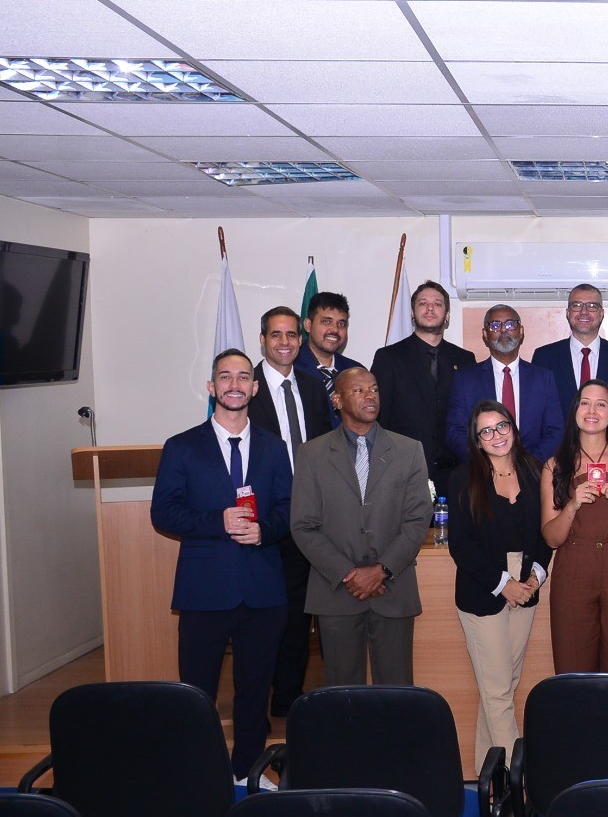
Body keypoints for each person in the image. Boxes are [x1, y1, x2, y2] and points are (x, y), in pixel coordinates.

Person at [151, 349, 291, 784]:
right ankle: (199, 777)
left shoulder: (274, 447)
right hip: (204, 590)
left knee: (254, 693)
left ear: (254, 387)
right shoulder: (181, 446)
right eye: (225, 377)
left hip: (263, 591)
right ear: (211, 387)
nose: (234, 384)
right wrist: (218, 521)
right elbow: (164, 513)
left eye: (243, 377)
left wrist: (264, 531)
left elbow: (289, 510)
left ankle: (247, 774)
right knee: (197, 694)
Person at [290, 368, 432, 686]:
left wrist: (381, 570)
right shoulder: (311, 454)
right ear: (337, 400)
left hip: (393, 588)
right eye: (359, 390)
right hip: (337, 591)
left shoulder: (409, 450)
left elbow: (417, 519)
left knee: (396, 692)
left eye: (374, 389)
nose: (370, 396)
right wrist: (349, 574)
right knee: (343, 693)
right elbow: (303, 525)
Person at [446, 400, 553, 758]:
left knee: (502, 685)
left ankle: (487, 773)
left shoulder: (535, 471)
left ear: (513, 428)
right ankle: (517, 781)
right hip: (483, 589)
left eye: (502, 426)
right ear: (477, 441)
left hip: (526, 586)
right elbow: (462, 546)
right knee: (498, 691)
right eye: (486, 431)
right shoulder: (463, 478)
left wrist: (534, 578)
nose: (496, 435)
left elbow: (546, 534)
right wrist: (504, 584)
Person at [246, 306, 332, 716]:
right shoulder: (246, 387)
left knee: (298, 615)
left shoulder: (313, 388)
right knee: (263, 617)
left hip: (308, 517)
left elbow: (326, 450)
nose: (285, 342)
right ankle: (253, 705)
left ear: (301, 339)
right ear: (262, 340)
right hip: (263, 519)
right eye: (276, 335)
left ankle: (287, 700)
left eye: (292, 335)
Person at [540, 381, 608, 672]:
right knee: (573, 667)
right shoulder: (555, 465)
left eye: (601, 404)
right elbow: (551, 538)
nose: (592, 410)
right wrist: (572, 505)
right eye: (585, 403)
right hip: (574, 569)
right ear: (575, 411)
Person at [372, 280, 474, 478]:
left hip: (455, 472)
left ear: (447, 315)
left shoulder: (465, 359)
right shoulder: (389, 357)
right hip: (404, 469)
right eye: (422, 303)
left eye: (437, 304)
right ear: (412, 313)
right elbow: (379, 416)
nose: (430, 308)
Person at [445, 305, 564, 464]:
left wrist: (530, 465)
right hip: (483, 471)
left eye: (510, 324)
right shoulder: (465, 379)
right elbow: (455, 432)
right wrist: (486, 463)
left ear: (521, 331)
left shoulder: (543, 378)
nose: (503, 330)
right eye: (495, 325)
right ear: (485, 334)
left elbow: (555, 431)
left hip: (533, 470)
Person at [530, 283, 608, 398]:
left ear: (601, 314)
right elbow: (536, 402)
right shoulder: (544, 358)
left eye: (592, 306)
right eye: (577, 305)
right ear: (568, 313)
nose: (584, 312)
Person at [293, 291, 363, 426]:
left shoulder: (356, 371)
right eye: (326, 321)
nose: (335, 330)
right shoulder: (291, 368)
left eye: (341, 324)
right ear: (308, 325)